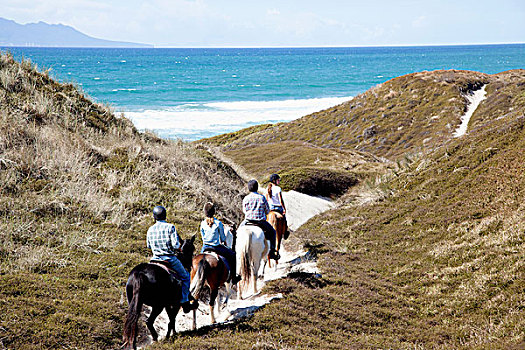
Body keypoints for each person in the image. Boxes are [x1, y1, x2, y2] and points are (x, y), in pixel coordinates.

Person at [147, 205, 198, 313]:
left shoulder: (150, 229)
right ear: (165, 215)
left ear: (154, 217)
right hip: (169, 259)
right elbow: (175, 245)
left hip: (154, 259)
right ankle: (184, 301)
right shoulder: (170, 227)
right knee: (185, 276)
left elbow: (148, 246)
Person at [200, 202, 242, 284]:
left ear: (205, 212)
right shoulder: (218, 223)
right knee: (233, 255)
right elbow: (223, 239)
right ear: (214, 211)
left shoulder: (202, 223)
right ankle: (234, 277)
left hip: (205, 247)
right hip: (216, 247)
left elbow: (203, 238)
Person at [242, 179, 280, 260]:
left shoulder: (246, 198)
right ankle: (273, 251)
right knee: (273, 232)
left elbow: (244, 211)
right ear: (257, 188)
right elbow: (267, 211)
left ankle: (233, 247)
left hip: (248, 221)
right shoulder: (261, 197)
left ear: (249, 188)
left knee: (237, 232)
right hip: (260, 222)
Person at [266, 174, 290, 239]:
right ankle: (285, 232)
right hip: (278, 207)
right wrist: (284, 208)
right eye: (278, 180)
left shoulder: (268, 188)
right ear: (274, 181)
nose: (279, 181)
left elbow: (267, 199)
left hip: (270, 207)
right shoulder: (278, 188)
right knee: (284, 219)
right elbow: (280, 199)